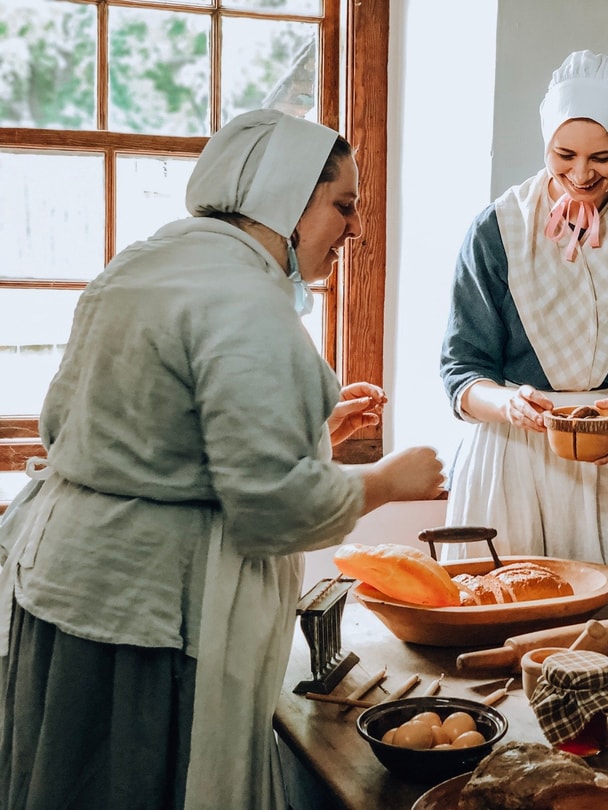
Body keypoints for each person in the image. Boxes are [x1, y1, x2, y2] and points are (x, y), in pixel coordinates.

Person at [0, 109, 445, 810]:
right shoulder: (246, 301)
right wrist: (390, 481)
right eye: (344, 206)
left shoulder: (146, 264)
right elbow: (276, 509)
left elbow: (128, 435)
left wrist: (311, 428)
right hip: (143, 611)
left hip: (64, 583)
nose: (355, 230)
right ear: (285, 198)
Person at [439, 50, 608, 619]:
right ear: (545, 144)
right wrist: (510, 404)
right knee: (502, 626)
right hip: (514, 457)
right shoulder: (498, 229)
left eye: (602, 158)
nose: (582, 175)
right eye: (565, 155)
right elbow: (462, 368)